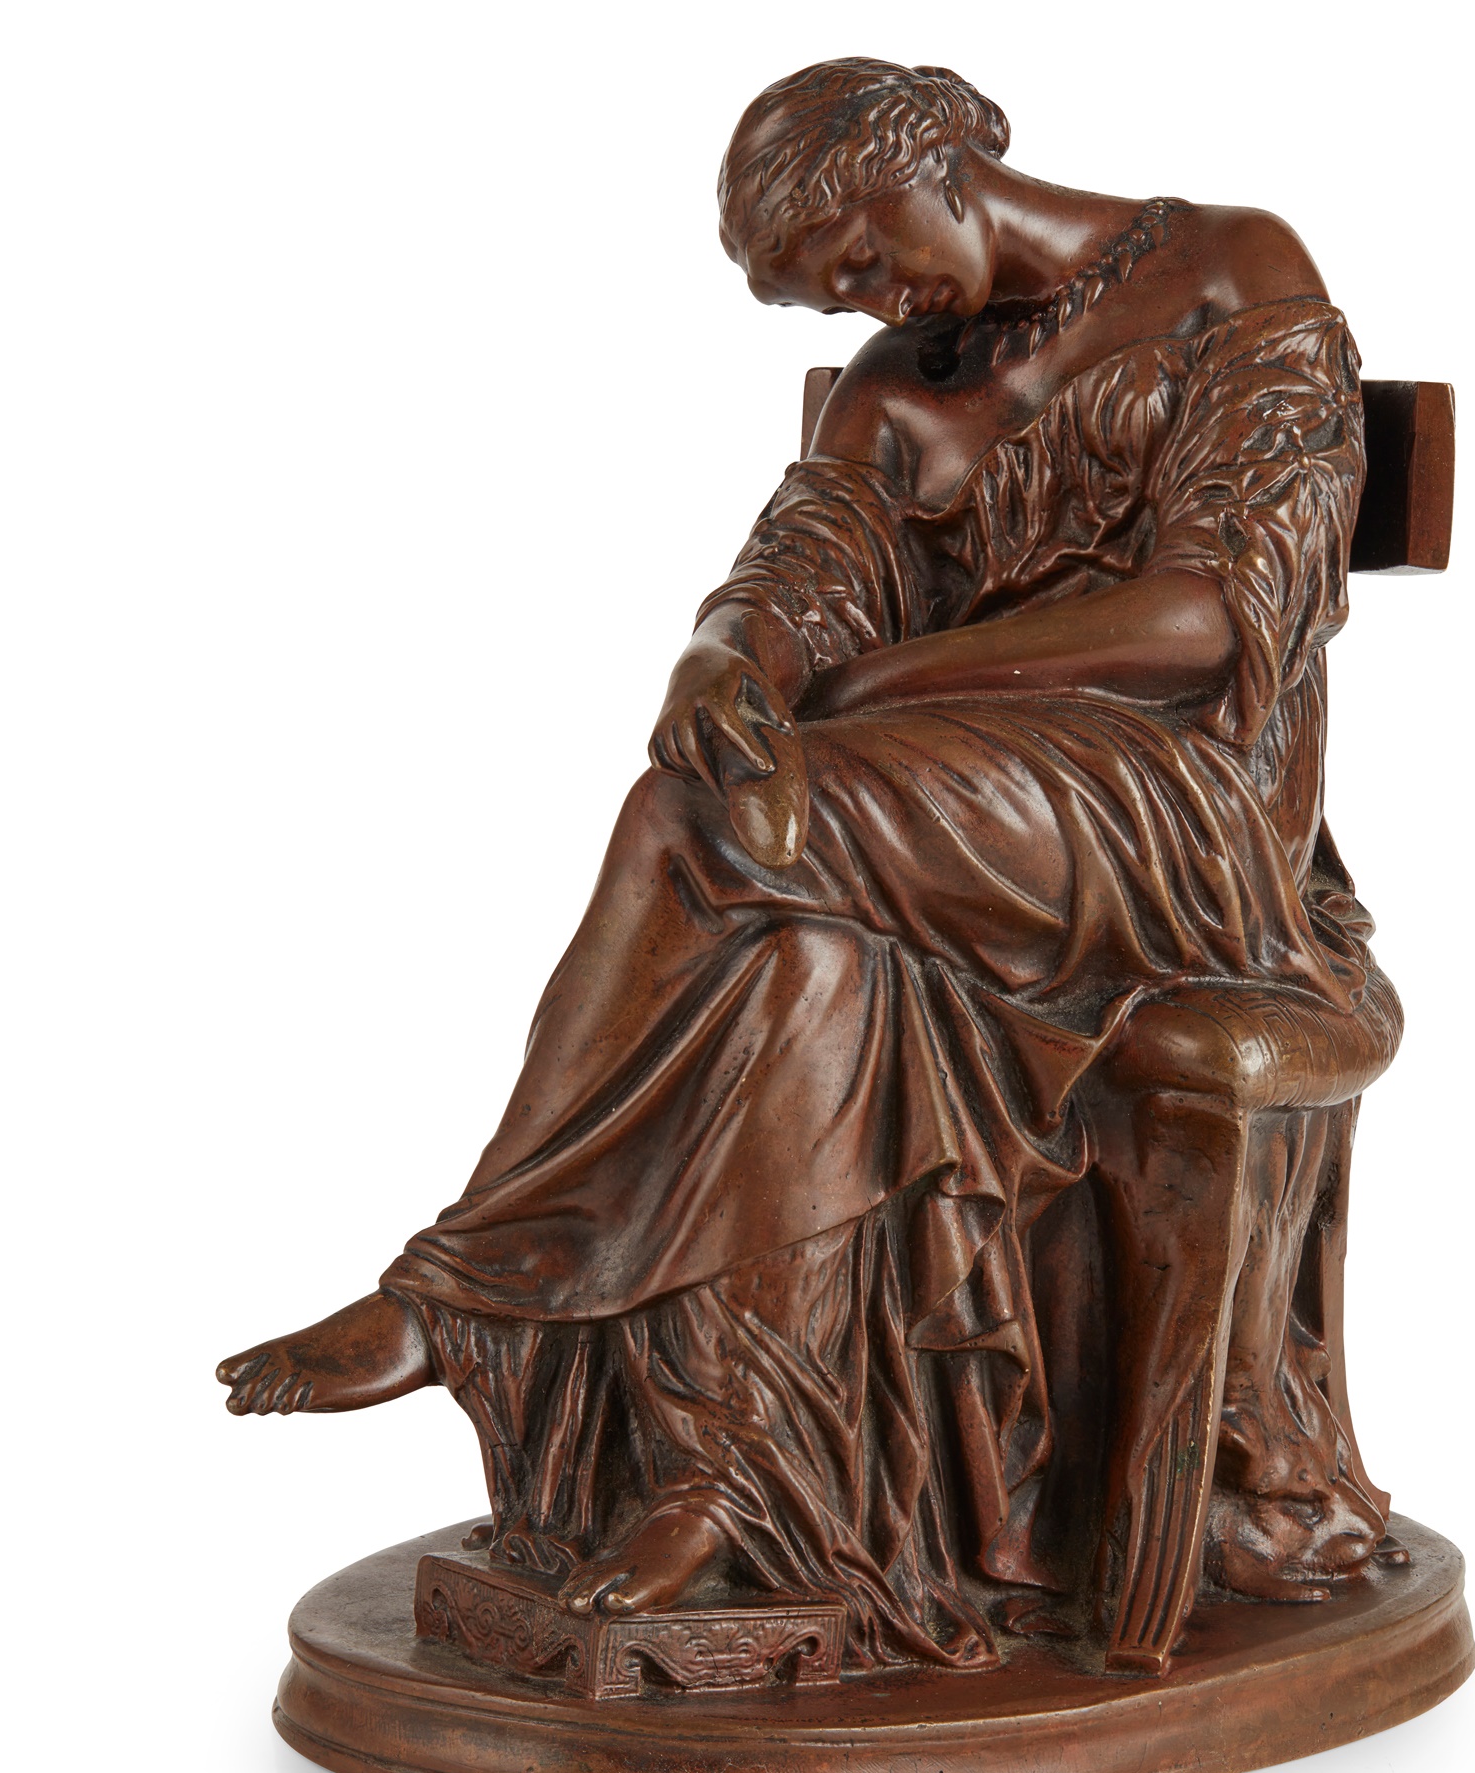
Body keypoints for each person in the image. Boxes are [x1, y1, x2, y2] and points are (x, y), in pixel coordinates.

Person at [217, 57, 1390, 1671]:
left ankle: (471, 1286)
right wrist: (720, 659)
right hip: (924, 813)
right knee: (803, 967)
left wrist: (870, 689)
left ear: (928, 158)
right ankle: (731, 1483)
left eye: (854, 253)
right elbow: (790, 579)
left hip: (1178, 813)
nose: (864, 297)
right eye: (827, 293)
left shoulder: (1232, 269)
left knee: (690, 823)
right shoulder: (889, 393)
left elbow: (1203, 620)